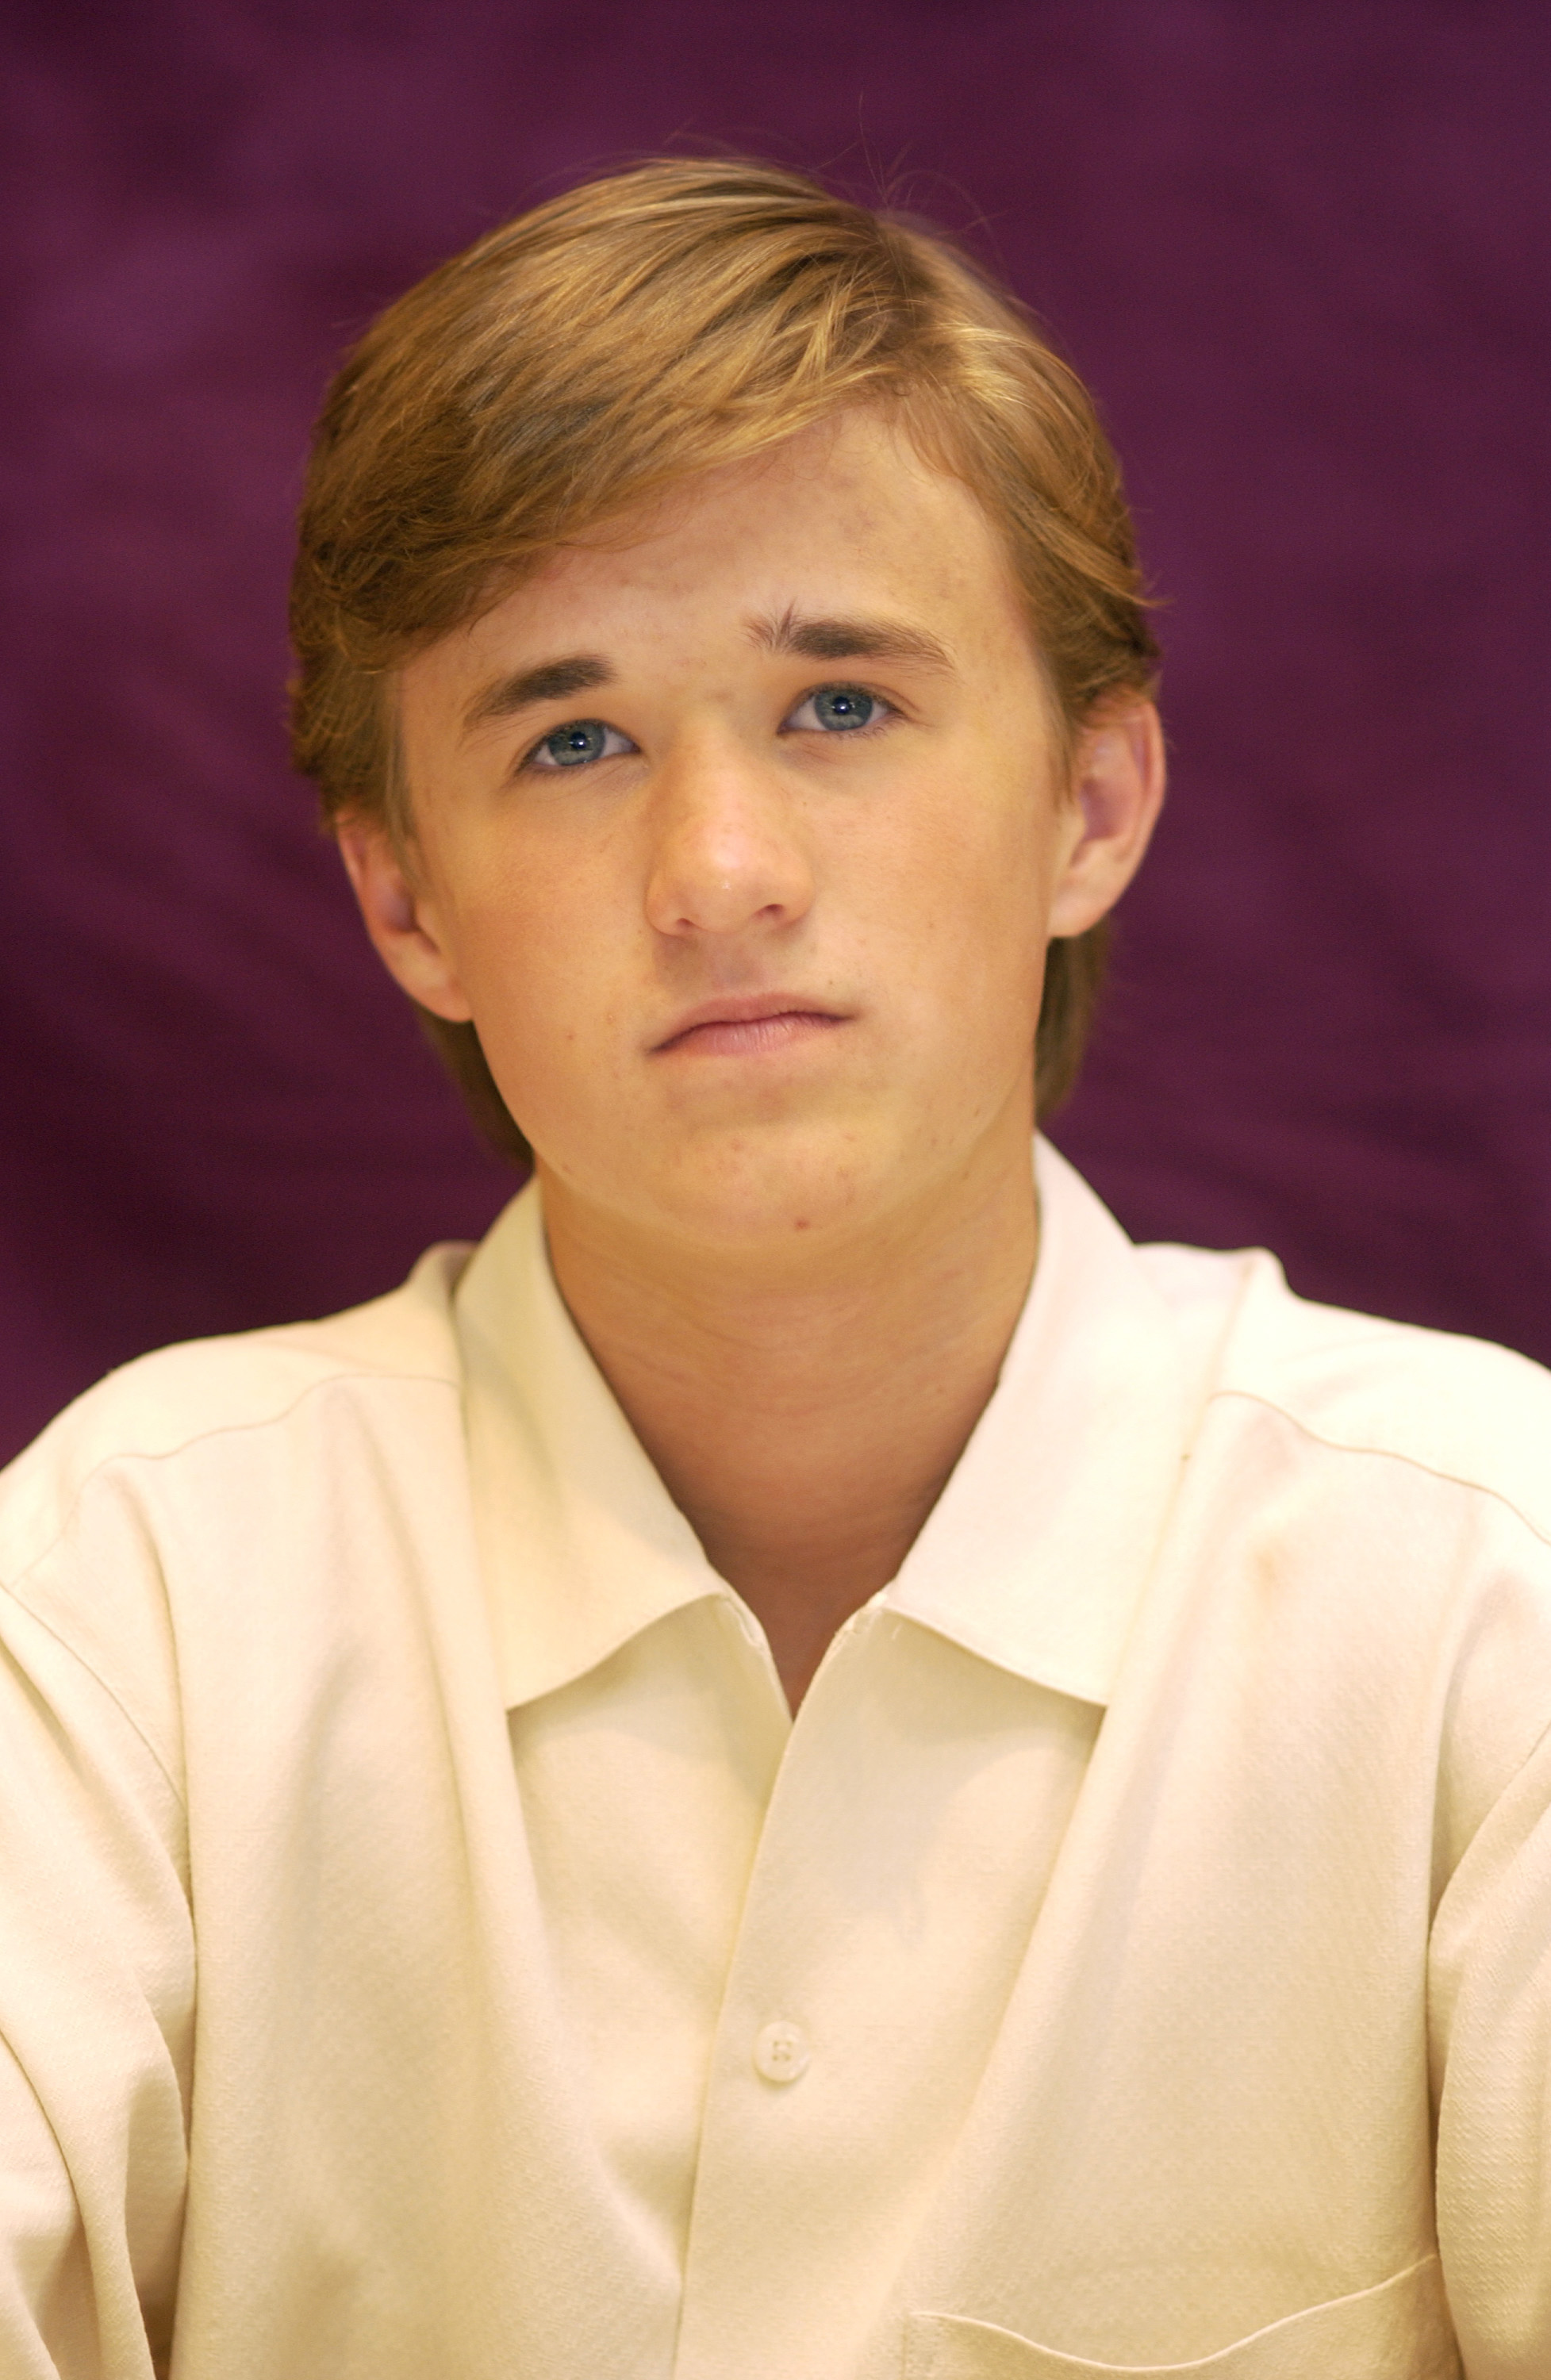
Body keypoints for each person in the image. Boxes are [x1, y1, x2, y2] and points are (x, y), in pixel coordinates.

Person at [1, 155, 1546, 2380]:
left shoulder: (1492, 1600)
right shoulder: (112, 1614)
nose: (715, 872)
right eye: (571, 738)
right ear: (406, 900)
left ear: (1089, 807)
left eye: (838, 704)